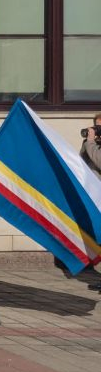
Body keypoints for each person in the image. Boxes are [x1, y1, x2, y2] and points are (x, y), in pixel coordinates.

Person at [80, 114, 101, 291]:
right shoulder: (92, 143)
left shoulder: (93, 144)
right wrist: (87, 143)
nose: (96, 129)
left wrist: (91, 143)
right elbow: (82, 163)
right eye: (96, 126)